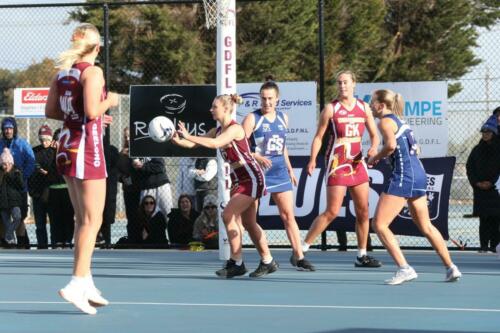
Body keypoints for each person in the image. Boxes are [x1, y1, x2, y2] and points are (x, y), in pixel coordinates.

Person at [45, 23, 119, 314]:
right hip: (86, 149)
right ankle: (76, 281)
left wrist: (93, 116)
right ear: (97, 48)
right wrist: (109, 101)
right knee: (92, 220)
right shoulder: (94, 72)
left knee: (82, 219)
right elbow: (91, 111)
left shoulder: (63, 73)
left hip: (65, 145)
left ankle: (86, 280)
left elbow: (52, 111)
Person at [172, 94, 279, 278]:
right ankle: (268, 261)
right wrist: (177, 139)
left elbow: (214, 144)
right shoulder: (217, 130)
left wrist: (190, 135)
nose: (211, 109)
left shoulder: (235, 129)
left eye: (214, 106)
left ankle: (236, 262)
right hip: (239, 178)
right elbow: (191, 145)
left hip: (251, 176)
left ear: (226, 109)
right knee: (249, 223)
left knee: (228, 214)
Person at [368, 89, 461, 284]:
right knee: (426, 226)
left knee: (379, 224)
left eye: (372, 102)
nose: (370, 105)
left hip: (405, 176)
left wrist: (375, 157)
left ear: (381, 105)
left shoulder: (384, 121)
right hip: (418, 174)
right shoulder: (400, 121)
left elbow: (391, 146)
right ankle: (451, 267)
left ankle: (404, 268)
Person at [301, 70, 381, 268]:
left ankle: (361, 255)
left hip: (357, 163)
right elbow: (319, 137)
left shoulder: (364, 107)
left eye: (346, 82)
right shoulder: (331, 109)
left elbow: (375, 135)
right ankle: (301, 249)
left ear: (354, 83)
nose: (342, 86)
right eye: (339, 83)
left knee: (363, 211)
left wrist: (373, 147)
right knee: (332, 211)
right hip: (337, 163)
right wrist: (312, 159)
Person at [242, 78, 315, 271]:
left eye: (270, 99)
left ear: (277, 99)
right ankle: (260, 259)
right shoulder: (252, 118)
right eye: (263, 98)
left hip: (279, 171)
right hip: (257, 173)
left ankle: (299, 256)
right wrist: (256, 157)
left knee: (288, 215)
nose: (266, 102)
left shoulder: (283, 118)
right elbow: (239, 146)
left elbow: (282, 147)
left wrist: (290, 169)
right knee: (249, 220)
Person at [466, 115, 500, 253]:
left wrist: (491, 182)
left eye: (488, 132)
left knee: (496, 219)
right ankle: (484, 245)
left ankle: (495, 246)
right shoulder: (476, 150)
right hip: (480, 190)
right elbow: (470, 167)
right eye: (484, 132)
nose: (485, 134)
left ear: (494, 133)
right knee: (484, 218)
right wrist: (476, 183)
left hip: (496, 190)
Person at [0, 117, 35, 249]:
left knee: (19, 217)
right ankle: (5, 242)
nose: (7, 131)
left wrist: (22, 177)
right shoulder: (0, 144)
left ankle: (21, 242)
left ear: (14, 129)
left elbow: (31, 162)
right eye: (5, 128)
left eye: (10, 128)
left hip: (19, 188)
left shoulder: (22, 144)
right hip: (3, 188)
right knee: (3, 217)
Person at [29, 124, 56, 249]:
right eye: (42, 140)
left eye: (46, 139)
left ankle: (55, 244)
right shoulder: (35, 151)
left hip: (52, 192)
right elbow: (32, 165)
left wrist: (48, 172)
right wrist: (39, 169)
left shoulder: (55, 151)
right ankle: (42, 245)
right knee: (40, 223)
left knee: (54, 222)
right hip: (38, 192)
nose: (44, 142)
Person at [47, 128, 75, 248]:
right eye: (57, 140)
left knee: (68, 217)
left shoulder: (69, 152)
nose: (59, 142)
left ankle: (68, 240)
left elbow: (67, 168)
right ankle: (56, 241)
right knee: (55, 218)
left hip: (67, 189)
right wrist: (54, 151)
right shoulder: (49, 153)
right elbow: (48, 168)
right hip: (53, 189)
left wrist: (61, 150)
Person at [116, 127, 142, 244]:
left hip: (142, 188)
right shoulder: (121, 153)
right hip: (129, 190)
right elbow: (117, 172)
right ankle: (132, 240)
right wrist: (123, 178)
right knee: (131, 216)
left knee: (142, 214)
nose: (127, 138)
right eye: (125, 136)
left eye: (129, 136)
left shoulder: (140, 150)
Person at [0, 148, 24, 247]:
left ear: (12, 163)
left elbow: (21, 185)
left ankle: (8, 235)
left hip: (15, 201)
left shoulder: (16, 172)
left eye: (9, 164)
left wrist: (12, 174)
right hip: (2, 202)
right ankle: (11, 241)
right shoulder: (0, 174)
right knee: (6, 222)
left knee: (17, 217)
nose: (6, 166)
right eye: (4, 164)